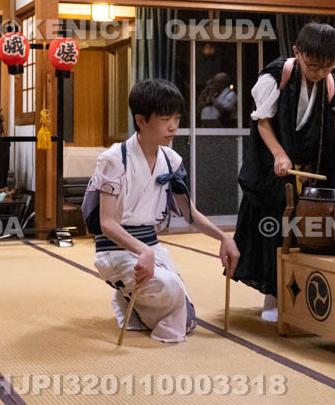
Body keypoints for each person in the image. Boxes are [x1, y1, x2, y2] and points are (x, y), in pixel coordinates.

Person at [90, 79, 240, 343]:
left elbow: (189, 212)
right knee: (169, 290)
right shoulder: (114, 159)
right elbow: (107, 224)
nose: (173, 126)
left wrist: (224, 237)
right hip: (114, 249)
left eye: (177, 118)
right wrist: (143, 250)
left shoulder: (171, 160)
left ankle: (130, 304)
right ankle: (127, 293)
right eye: (165, 118)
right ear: (141, 120)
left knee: (186, 316)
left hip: (151, 247)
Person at [234, 23, 335, 321]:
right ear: (297, 52)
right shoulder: (275, 76)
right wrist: (279, 154)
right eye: (313, 65)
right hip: (276, 167)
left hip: (315, 168)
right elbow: (262, 122)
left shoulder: (334, 86)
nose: (319, 72)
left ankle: (315, 298)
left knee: (318, 230)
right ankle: (273, 299)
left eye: (328, 65)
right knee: (275, 229)